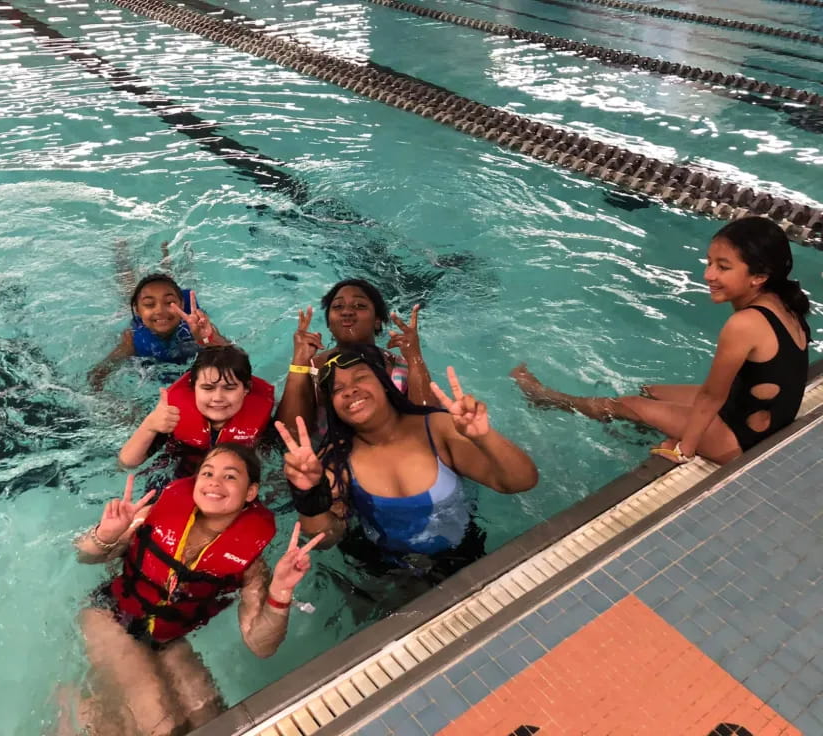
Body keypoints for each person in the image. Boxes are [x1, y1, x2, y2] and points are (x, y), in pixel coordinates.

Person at [511, 216, 811, 465]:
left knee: (625, 404)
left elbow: (711, 397)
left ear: (759, 275)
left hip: (742, 438)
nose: (708, 274)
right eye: (709, 262)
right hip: (760, 417)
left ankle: (547, 399)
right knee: (651, 392)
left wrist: (684, 448)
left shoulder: (744, 323)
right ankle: (646, 427)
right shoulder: (784, 303)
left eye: (723, 267)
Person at [71, 444, 323, 735]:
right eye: (207, 473)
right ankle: (77, 706)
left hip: (165, 638)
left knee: (212, 720)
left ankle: (88, 706)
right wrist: (107, 533)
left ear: (250, 493)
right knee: (163, 724)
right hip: (110, 616)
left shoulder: (250, 566)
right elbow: (86, 557)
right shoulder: (149, 517)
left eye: (230, 476)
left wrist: (280, 592)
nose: (215, 482)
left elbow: (260, 645)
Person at [275, 345, 537, 604]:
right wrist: (308, 494)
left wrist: (484, 437)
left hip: (462, 552)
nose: (350, 390)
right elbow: (326, 539)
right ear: (332, 405)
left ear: (383, 382)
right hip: (383, 569)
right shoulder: (335, 460)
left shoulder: (437, 429)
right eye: (338, 389)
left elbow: (521, 481)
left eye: (360, 378)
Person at [275, 278, 437, 436]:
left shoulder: (398, 366)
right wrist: (299, 361)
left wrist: (415, 358)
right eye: (338, 306)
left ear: (377, 321)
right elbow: (289, 437)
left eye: (359, 305)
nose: (346, 312)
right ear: (329, 325)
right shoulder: (310, 368)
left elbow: (430, 428)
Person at [119, 344, 275, 483]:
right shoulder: (173, 418)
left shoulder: (264, 424)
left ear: (246, 389)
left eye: (229, 388)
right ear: (193, 388)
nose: (218, 398)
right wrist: (150, 425)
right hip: (176, 475)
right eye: (207, 388)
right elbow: (127, 463)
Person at [89, 272, 228, 390]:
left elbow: (236, 358)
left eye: (169, 303)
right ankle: (122, 254)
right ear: (137, 310)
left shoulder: (198, 327)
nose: (160, 311)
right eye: (149, 304)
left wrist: (209, 339)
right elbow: (95, 377)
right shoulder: (131, 341)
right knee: (129, 289)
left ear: (182, 304)